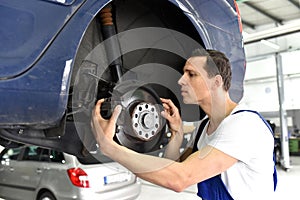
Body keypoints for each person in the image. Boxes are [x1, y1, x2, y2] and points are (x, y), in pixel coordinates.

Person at [91, 49, 276, 199]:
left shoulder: (244, 125)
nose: (181, 80)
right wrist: (177, 133)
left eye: (192, 74)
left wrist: (110, 147)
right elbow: (172, 166)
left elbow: (180, 178)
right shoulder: (205, 127)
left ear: (216, 82)